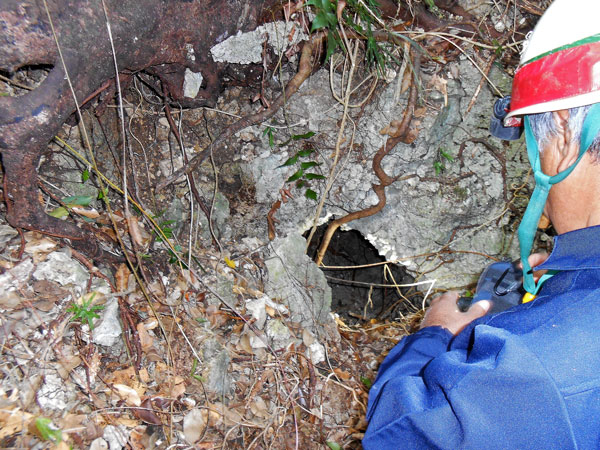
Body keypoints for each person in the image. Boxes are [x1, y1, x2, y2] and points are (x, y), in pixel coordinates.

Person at [363, 0, 600, 448]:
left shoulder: (538, 368)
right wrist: (566, 287)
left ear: (566, 131)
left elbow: (400, 434)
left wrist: (436, 337)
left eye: (533, 142)